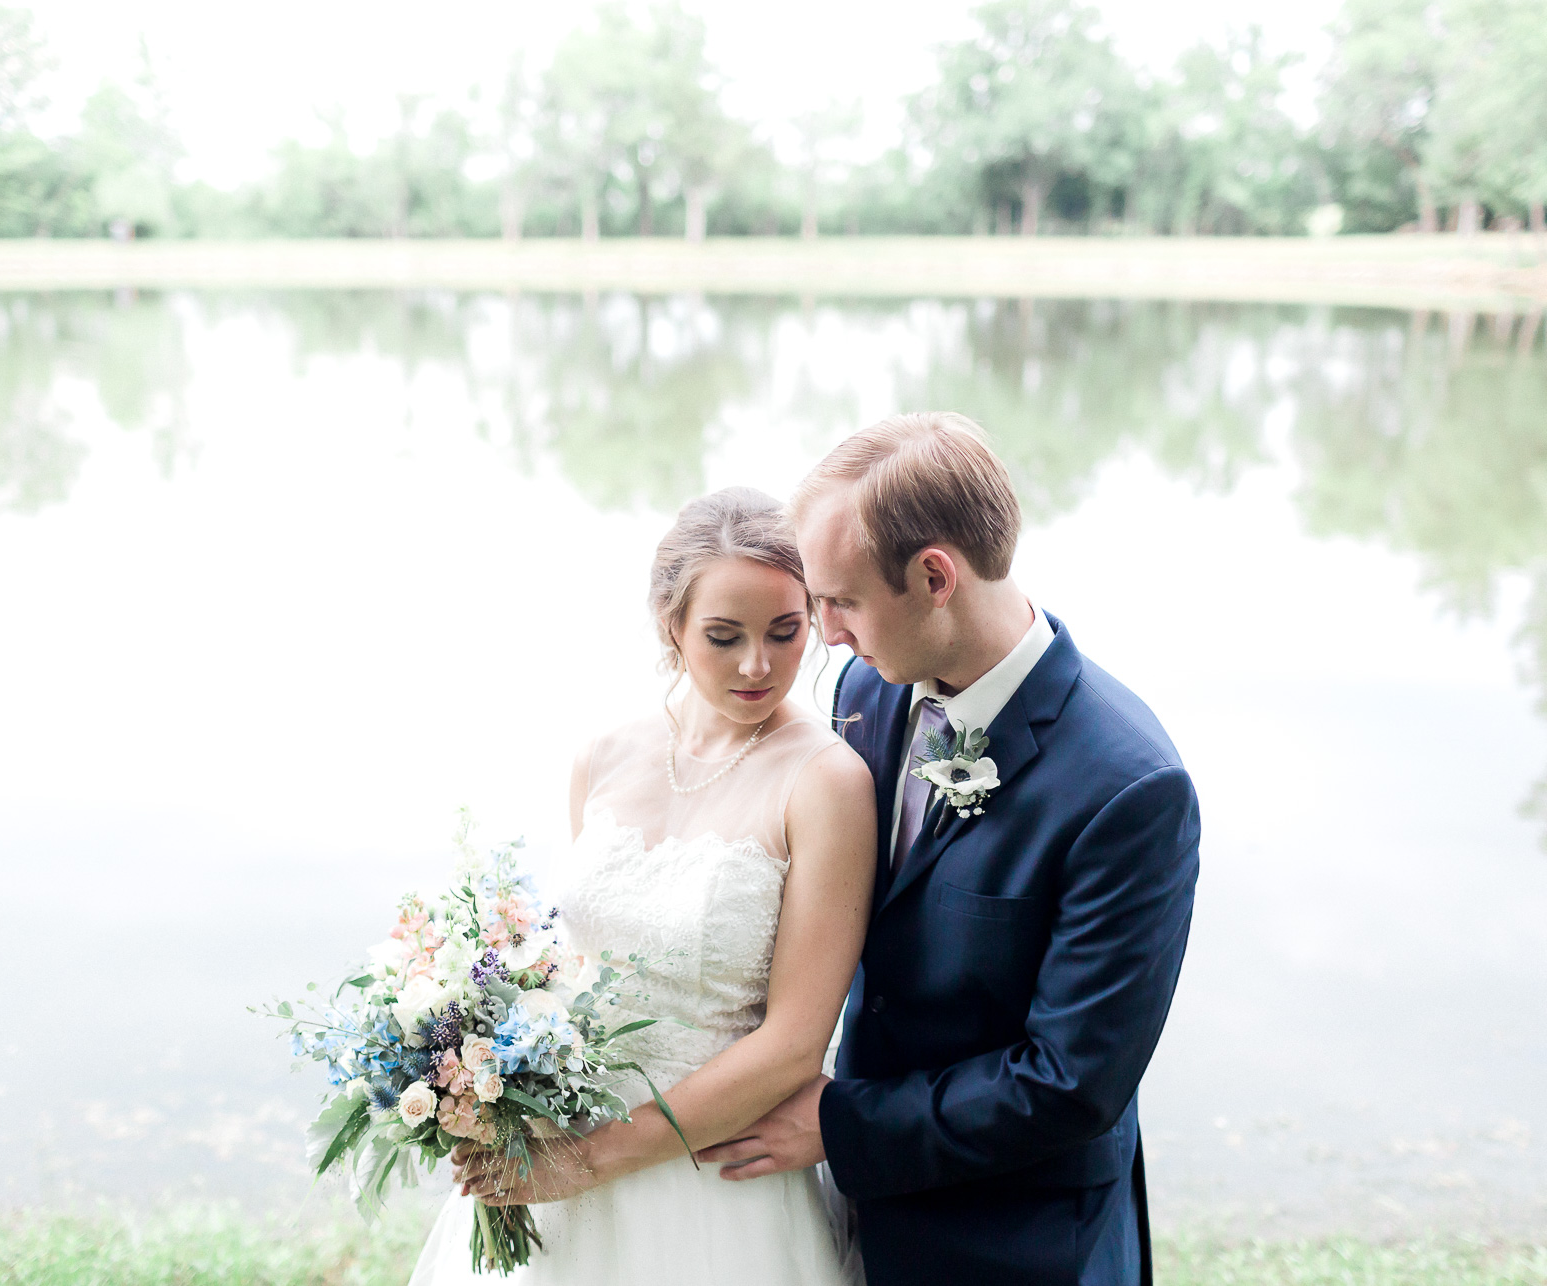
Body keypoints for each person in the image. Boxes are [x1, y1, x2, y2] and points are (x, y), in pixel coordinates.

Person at [696, 413, 1201, 1286]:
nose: (826, 634)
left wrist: (841, 1125)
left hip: (1015, 1242)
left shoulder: (1130, 789)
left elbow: (1070, 1082)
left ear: (935, 576)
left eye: (841, 601)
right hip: (847, 1218)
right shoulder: (868, 692)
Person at [406, 486, 878, 1286]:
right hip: (555, 1150)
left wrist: (593, 1160)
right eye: (724, 637)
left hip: (711, 1178)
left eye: (786, 631)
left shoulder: (826, 781)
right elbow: (563, 964)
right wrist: (478, 1074)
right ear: (672, 627)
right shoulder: (605, 752)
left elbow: (796, 1041)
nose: (759, 665)